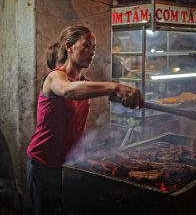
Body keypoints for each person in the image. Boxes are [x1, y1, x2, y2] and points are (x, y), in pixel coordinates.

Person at [26, 25, 144, 215]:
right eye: (86, 46)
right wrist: (115, 86)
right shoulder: (55, 77)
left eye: (94, 48)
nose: (91, 52)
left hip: (71, 163)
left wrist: (128, 96)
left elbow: (83, 93)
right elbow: (69, 91)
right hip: (44, 164)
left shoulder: (83, 81)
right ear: (69, 47)